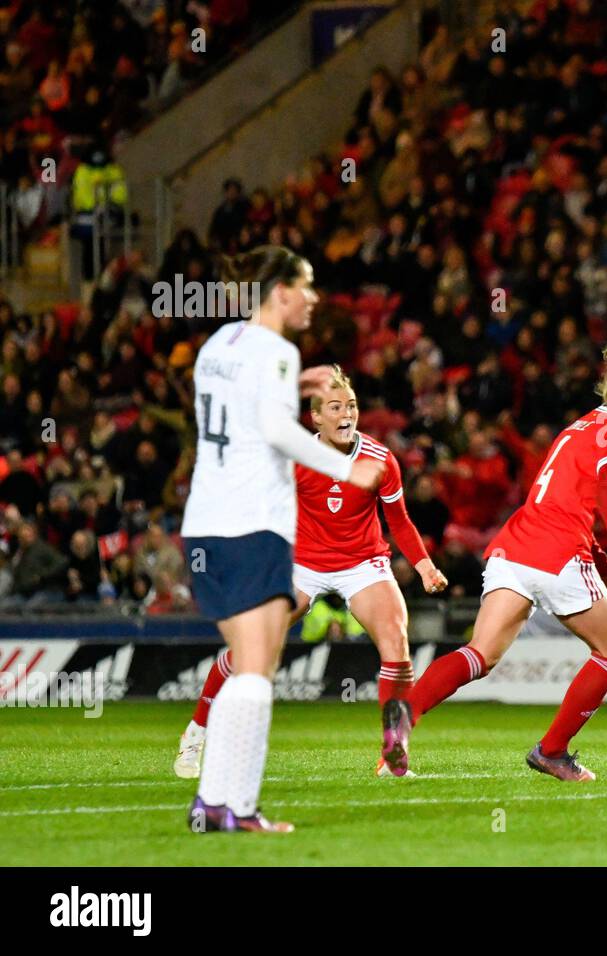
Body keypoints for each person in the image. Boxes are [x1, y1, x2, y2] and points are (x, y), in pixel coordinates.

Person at [180, 246, 384, 833]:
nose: (314, 297)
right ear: (280, 291)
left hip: (206, 524)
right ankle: (231, 807)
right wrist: (348, 468)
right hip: (252, 526)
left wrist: (295, 384)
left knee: (249, 667)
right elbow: (271, 430)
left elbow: (240, 411)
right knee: (254, 672)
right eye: (307, 285)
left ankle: (216, 803)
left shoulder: (219, 344)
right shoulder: (275, 350)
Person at [401, 341, 607, 781]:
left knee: (479, 654)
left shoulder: (577, 428)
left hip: (515, 546)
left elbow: (567, 500)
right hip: (557, 553)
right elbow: (606, 488)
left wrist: (600, 562)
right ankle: (552, 752)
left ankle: (403, 715)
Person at [174, 366, 448, 780]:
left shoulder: (379, 460)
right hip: (304, 563)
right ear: (316, 417)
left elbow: (400, 521)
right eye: (334, 407)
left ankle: (395, 752)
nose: (346, 414)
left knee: (396, 642)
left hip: (363, 561)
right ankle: (196, 732)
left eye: (351, 406)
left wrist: (425, 565)